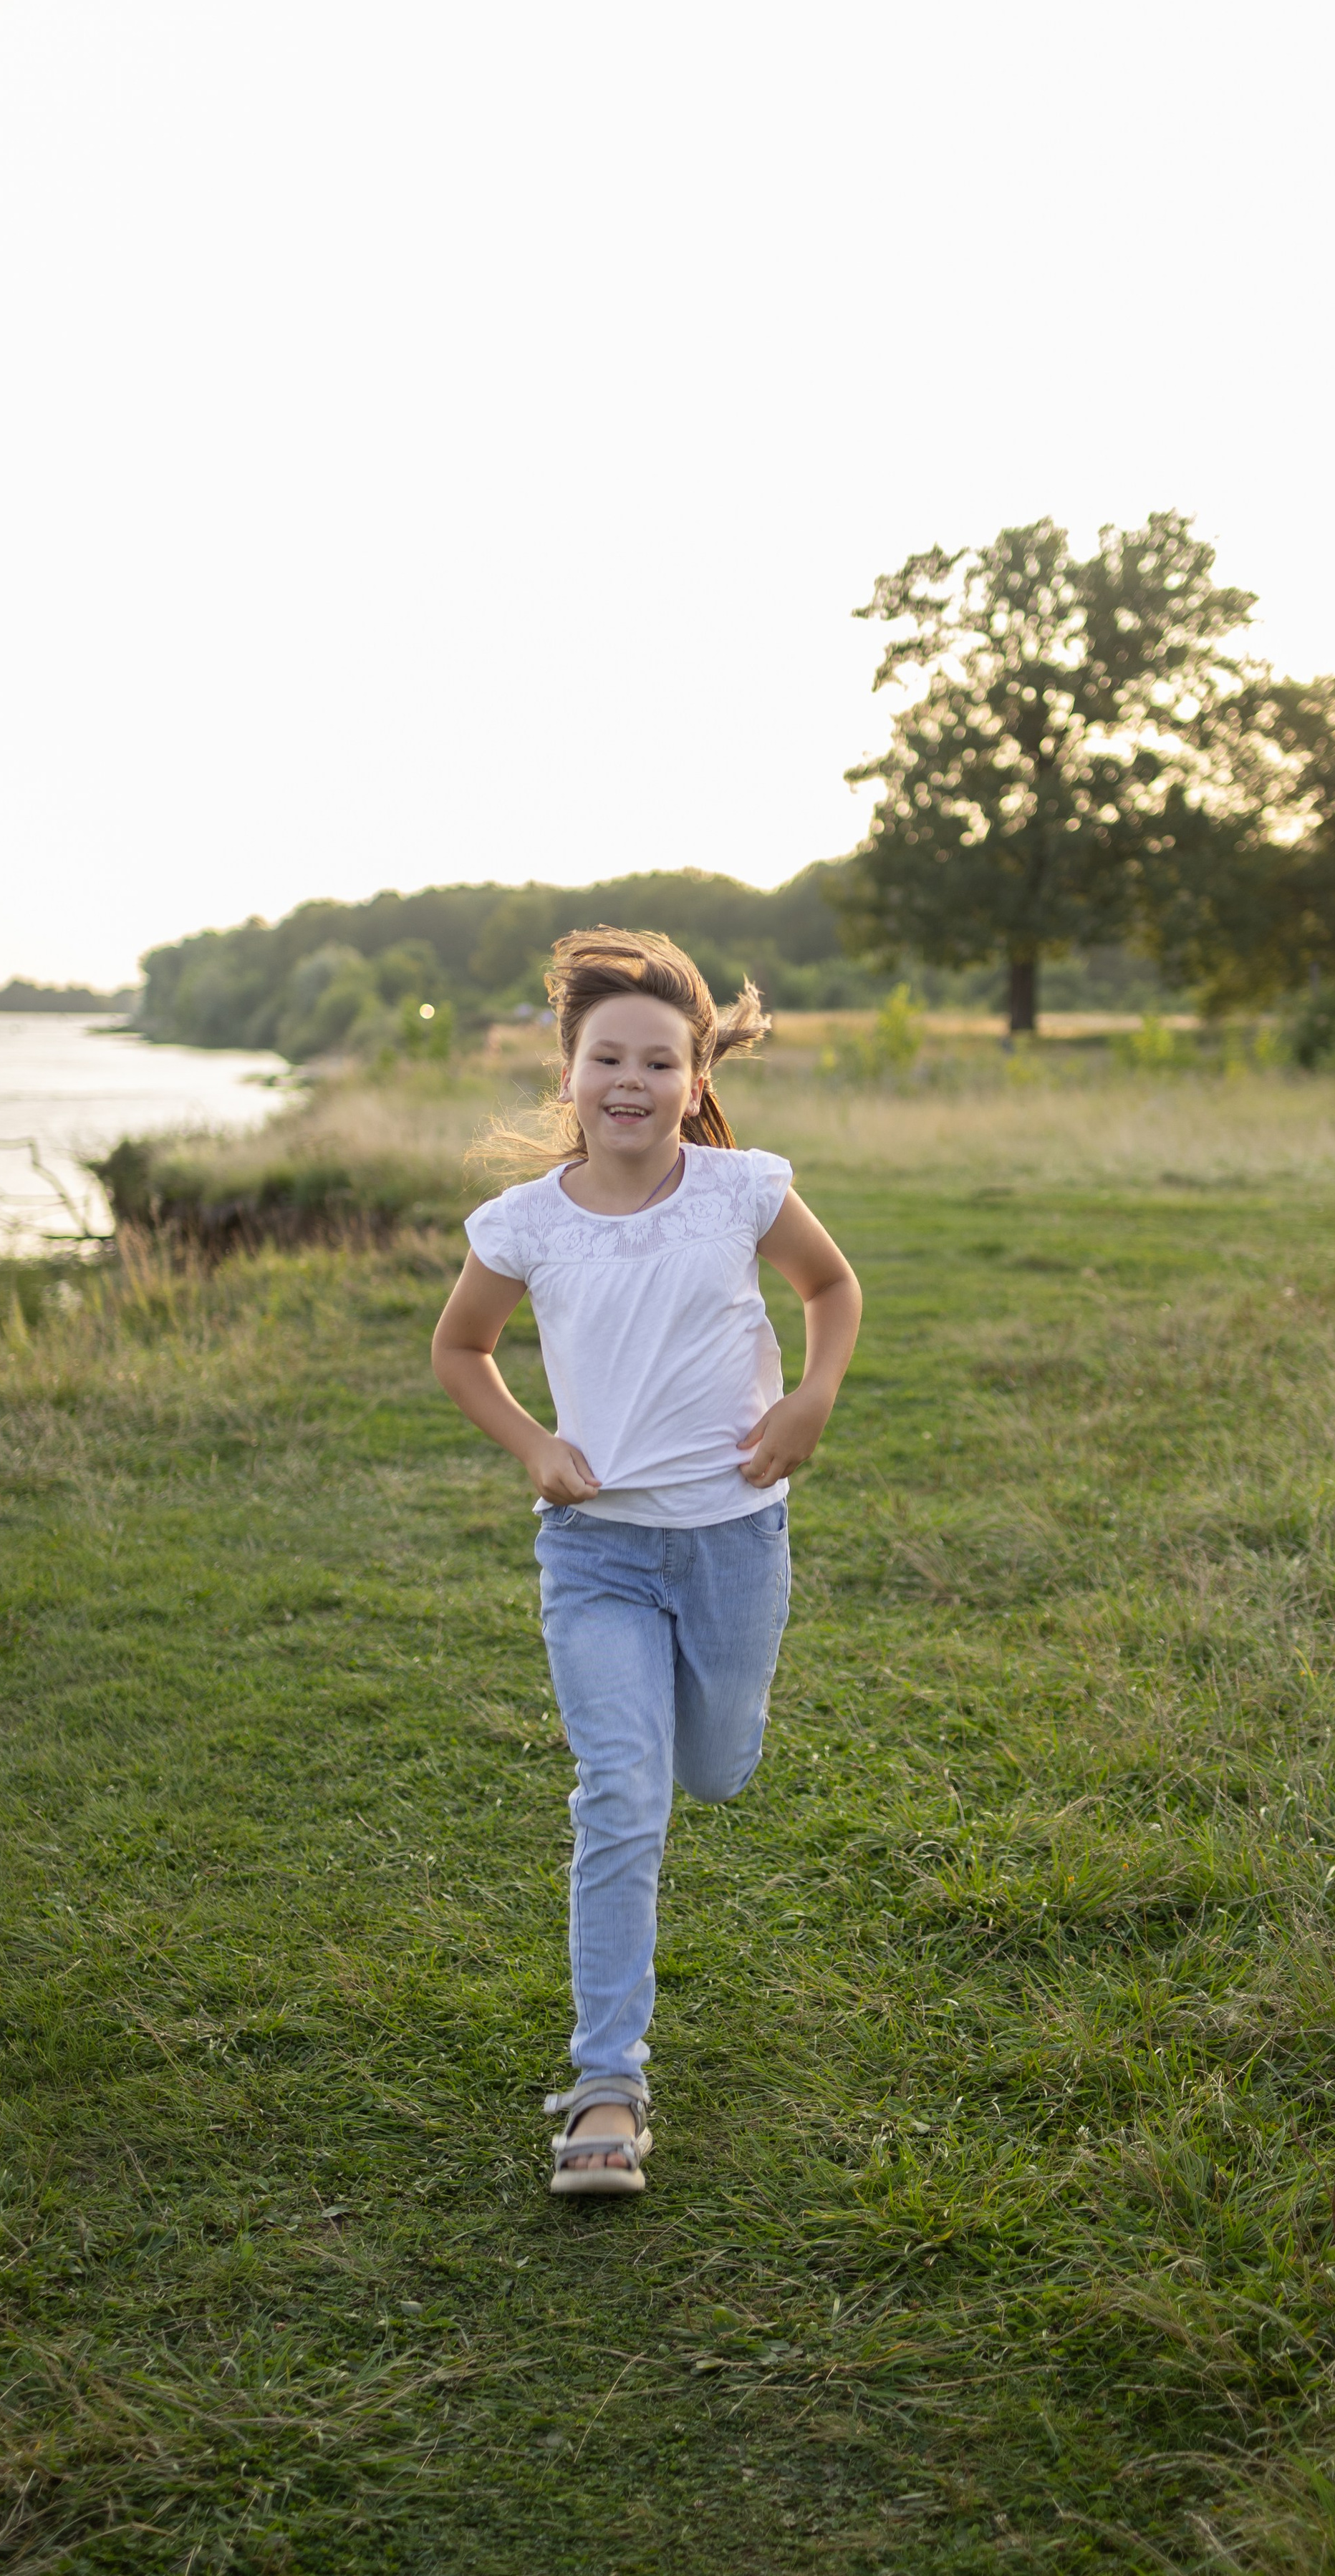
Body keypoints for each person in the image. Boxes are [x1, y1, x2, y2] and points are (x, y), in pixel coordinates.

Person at [431, 927, 862, 2196]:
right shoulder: (523, 1224)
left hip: (732, 1541)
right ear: (567, 1072)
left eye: (658, 1061)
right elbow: (462, 1351)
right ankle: (605, 2088)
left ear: (694, 1075)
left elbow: (830, 1288)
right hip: (598, 1552)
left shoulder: (738, 1189)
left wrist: (813, 1401)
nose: (631, 1080)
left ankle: (689, 1733)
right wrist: (530, 1443)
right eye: (605, 1056)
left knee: (713, 1769)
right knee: (622, 1795)